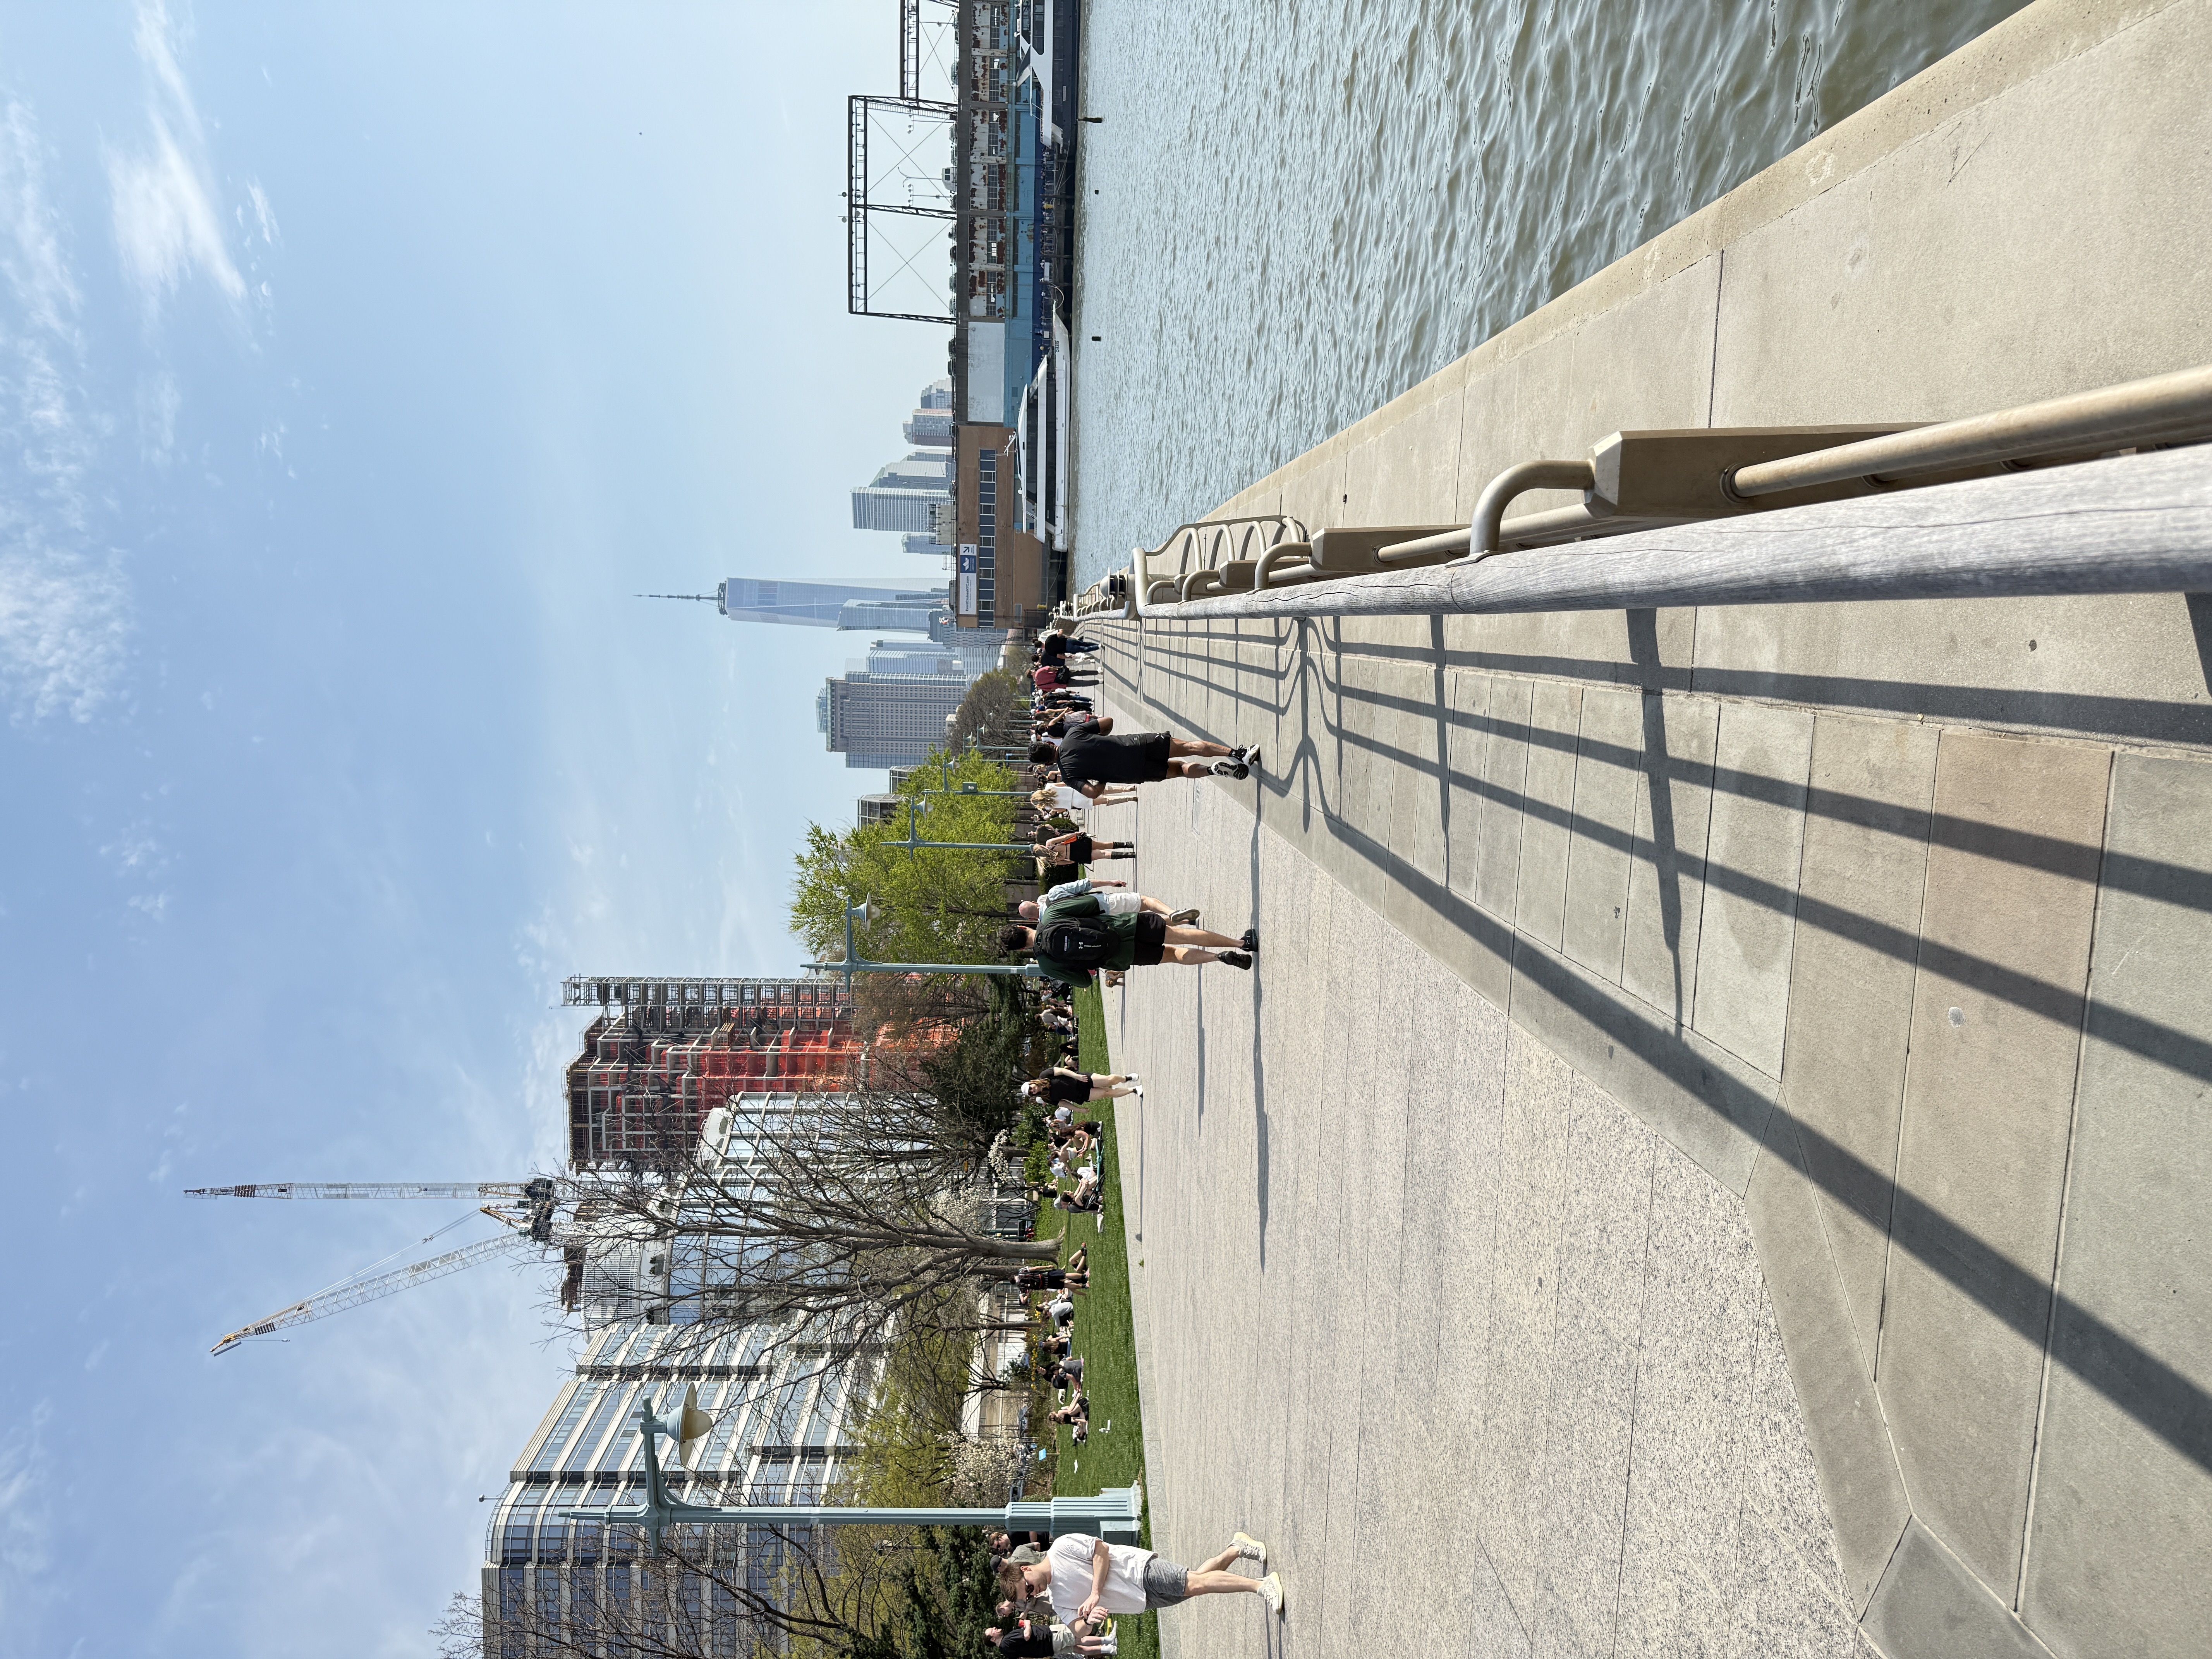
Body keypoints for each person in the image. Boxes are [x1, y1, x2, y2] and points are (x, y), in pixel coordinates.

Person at [997, 1533, 1282, 1633]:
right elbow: (1077, 1630)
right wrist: (1089, 1621)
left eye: (1029, 1588)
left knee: (1196, 1585)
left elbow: (1101, 1551)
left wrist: (1095, 1593)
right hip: (1139, 1601)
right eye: (1029, 1597)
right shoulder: (1058, 1599)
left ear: (1026, 1569)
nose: (1034, 1594)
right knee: (1197, 1582)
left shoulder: (1061, 1548)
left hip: (1137, 1570)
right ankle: (1236, 1548)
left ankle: (1261, 1586)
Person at [999, 893, 1256, 979]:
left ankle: (1219, 958)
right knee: (1179, 935)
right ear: (1023, 927)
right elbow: (1091, 904)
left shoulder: (1046, 964)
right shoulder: (1052, 915)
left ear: (1021, 950)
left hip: (1121, 956)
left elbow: (1085, 981)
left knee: (1175, 955)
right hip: (1124, 926)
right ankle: (1241, 943)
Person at [1034, 727, 1258, 793]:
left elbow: (1093, 793)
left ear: (1047, 765)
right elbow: (1108, 722)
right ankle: (1238, 754)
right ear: (1050, 744)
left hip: (1133, 772)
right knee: (1188, 747)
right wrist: (1099, 739)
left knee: (1180, 769)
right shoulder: (1072, 735)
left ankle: (1212, 771)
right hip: (1136, 745)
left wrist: (1102, 778)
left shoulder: (1069, 776)